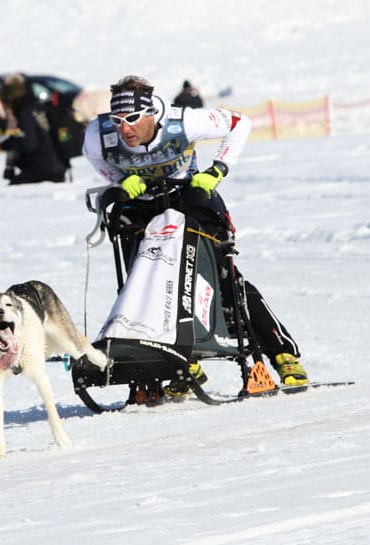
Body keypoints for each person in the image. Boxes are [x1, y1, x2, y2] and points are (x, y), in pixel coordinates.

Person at [82, 74, 308, 396]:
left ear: (151, 114)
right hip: (143, 204)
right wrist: (120, 179)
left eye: (132, 119)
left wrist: (218, 169)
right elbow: (93, 156)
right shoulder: (99, 134)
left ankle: (282, 353)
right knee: (143, 282)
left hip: (189, 194)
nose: (124, 129)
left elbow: (239, 123)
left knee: (222, 277)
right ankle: (181, 365)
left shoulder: (183, 121)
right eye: (118, 120)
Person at [0, 73, 66, 184]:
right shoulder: (35, 105)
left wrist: (10, 143)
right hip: (56, 165)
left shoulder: (25, 111)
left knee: (13, 189)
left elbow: (29, 144)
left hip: (44, 168)